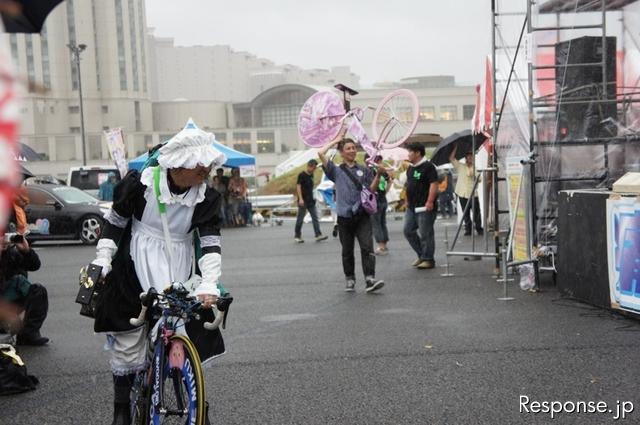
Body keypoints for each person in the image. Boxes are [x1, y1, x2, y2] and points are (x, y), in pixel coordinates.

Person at [90, 121, 226, 425]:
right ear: (180, 164)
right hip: (136, 259)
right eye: (200, 165)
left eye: (208, 165)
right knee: (128, 337)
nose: (206, 171)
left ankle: (189, 396)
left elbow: (209, 242)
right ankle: (121, 409)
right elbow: (115, 222)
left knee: (179, 325)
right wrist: (104, 258)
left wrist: (209, 282)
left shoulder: (206, 197)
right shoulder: (141, 184)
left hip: (178, 261)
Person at [318, 132, 385, 293]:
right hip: (344, 216)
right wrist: (336, 140)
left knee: (367, 247)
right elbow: (320, 153)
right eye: (348, 148)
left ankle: (370, 279)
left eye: (354, 148)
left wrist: (379, 175)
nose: (352, 150)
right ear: (341, 152)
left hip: (362, 214)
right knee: (347, 250)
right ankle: (350, 279)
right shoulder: (335, 170)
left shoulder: (364, 169)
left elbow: (370, 191)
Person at [0, 235, 49, 346]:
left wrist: (26, 251)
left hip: (9, 299)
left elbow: (34, 265)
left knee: (38, 291)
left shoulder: (11, 254)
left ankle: (28, 334)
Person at [403, 142, 439, 269]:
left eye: (410, 152)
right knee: (408, 230)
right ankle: (421, 255)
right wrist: (406, 200)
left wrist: (430, 201)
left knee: (426, 233)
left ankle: (428, 259)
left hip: (425, 206)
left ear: (418, 153)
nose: (408, 154)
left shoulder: (428, 167)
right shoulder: (411, 168)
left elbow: (434, 184)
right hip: (412, 206)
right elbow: (408, 185)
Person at [450, 146, 483, 236]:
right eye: (468, 157)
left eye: (471, 157)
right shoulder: (461, 166)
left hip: (473, 194)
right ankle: (468, 229)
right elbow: (451, 158)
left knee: (476, 212)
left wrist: (474, 174)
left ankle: (479, 228)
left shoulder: (476, 167)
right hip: (462, 193)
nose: (470, 158)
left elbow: (480, 179)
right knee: (466, 213)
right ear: (466, 158)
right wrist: (455, 147)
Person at [294, 159, 328, 243]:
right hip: (303, 200)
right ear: (309, 166)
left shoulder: (311, 175)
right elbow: (298, 187)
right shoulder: (302, 175)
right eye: (313, 168)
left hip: (311, 200)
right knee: (300, 219)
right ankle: (297, 235)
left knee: (315, 217)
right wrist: (300, 198)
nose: (314, 169)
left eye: (315, 168)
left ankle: (318, 235)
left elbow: (310, 188)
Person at [369, 155, 392, 255]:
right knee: (382, 222)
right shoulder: (384, 172)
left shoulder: (372, 171)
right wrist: (385, 192)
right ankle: (384, 244)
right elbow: (390, 181)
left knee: (376, 223)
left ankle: (381, 246)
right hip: (383, 198)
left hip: (375, 199)